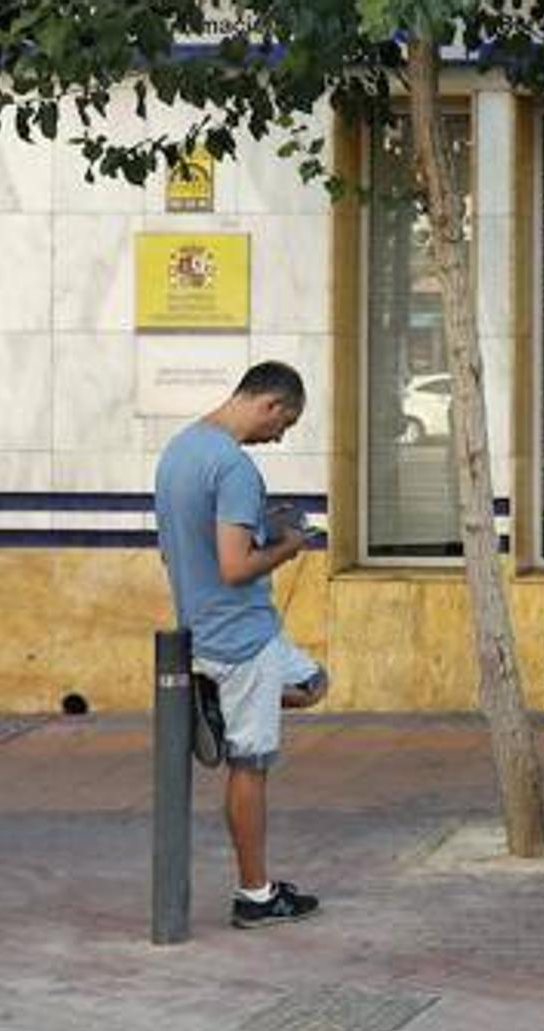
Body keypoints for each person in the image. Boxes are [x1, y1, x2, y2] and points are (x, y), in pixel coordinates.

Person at [154, 361, 327, 929]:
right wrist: (291, 545)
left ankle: (218, 706)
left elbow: (185, 545)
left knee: (311, 684)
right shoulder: (234, 468)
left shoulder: (179, 452)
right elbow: (234, 566)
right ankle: (255, 895)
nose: (280, 436)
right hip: (240, 638)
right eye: (285, 423)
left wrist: (263, 524)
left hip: (206, 625)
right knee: (251, 765)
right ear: (270, 404)